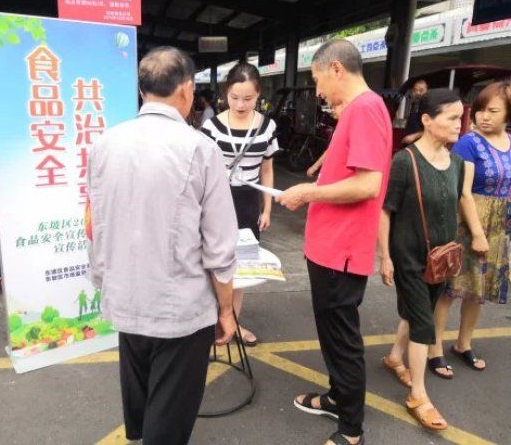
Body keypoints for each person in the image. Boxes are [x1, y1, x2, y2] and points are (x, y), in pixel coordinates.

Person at [86, 46, 238, 445]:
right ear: (187, 89)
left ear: (142, 91)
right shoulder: (200, 149)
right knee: (170, 414)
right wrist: (226, 308)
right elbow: (219, 244)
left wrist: (103, 279)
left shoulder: (106, 144)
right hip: (180, 308)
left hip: (125, 297)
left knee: (139, 395)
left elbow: (97, 222)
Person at [277, 39, 392, 445]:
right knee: (331, 332)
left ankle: (350, 429)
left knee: (342, 340)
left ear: (337, 69)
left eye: (317, 79)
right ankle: (336, 398)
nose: (318, 90)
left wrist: (307, 192)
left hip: (341, 249)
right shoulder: (361, 110)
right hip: (330, 246)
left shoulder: (364, 109)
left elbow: (368, 183)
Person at [379, 89, 487, 431]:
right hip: (409, 255)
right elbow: (385, 212)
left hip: (442, 257)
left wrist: (476, 234)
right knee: (424, 323)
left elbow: (459, 201)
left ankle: (395, 357)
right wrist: (385, 257)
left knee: (417, 312)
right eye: (452, 118)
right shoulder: (404, 161)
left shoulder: (456, 164)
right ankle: (418, 394)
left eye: (461, 117)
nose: (461, 124)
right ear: (427, 120)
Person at [429, 81, 511, 375]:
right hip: (467, 223)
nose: (483, 117)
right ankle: (435, 347)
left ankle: (464, 343)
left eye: (492, 111)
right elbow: (463, 192)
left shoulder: (510, 143)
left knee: (479, 291)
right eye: (479, 110)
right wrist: (476, 233)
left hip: (499, 226)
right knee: (449, 289)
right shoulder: (469, 143)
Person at [201, 61, 279, 347]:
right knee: (214, 261)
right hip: (216, 200)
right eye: (234, 98)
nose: (241, 104)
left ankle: (235, 321)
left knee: (243, 265)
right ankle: (214, 320)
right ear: (226, 94)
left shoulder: (267, 126)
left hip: (248, 201)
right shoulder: (211, 126)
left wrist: (267, 208)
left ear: (259, 94)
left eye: (248, 98)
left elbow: (267, 169)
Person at [402, 79, 429, 146]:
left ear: (427, 91)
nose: (417, 93)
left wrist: (414, 136)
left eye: (421, 90)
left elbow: (432, 130)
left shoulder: (428, 108)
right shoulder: (413, 105)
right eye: (415, 90)